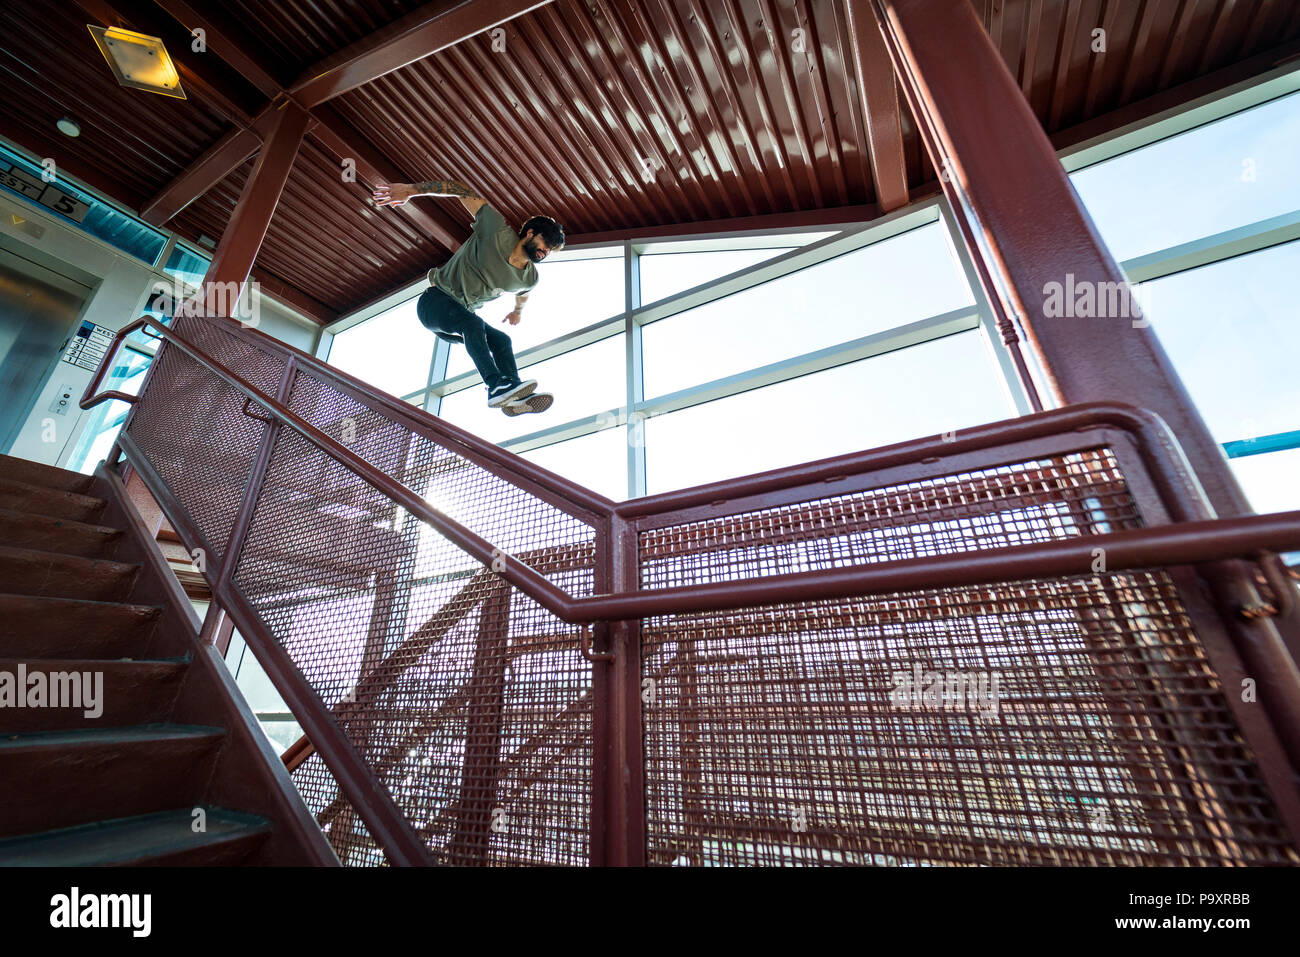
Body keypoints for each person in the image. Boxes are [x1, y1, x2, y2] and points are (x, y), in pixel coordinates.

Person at [372, 177, 562, 416]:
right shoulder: (496, 230)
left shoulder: (529, 278)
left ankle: (512, 393)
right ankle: (496, 386)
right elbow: (460, 189)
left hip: (458, 318)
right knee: (472, 323)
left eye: (550, 251)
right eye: (545, 244)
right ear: (530, 233)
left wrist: (517, 312)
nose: (545, 252)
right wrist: (410, 190)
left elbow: (523, 294)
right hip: (435, 302)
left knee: (502, 341)